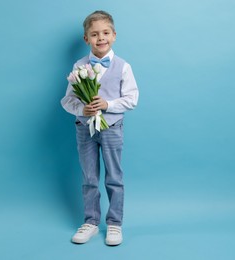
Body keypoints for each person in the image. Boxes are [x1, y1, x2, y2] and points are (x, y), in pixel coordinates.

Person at [61, 10, 139, 246]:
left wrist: (108, 104)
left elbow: (132, 99)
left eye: (105, 33)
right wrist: (80, 109)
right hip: (84, 129)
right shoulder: (78, 66)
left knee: (114, 176)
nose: (101, 38)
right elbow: (67, 100)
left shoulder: (123, 66)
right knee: (89, 177)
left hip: (112, 127)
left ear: (114, 35)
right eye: (94, 34)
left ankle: (114, 224)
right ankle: (91, 221)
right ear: (87, 39)